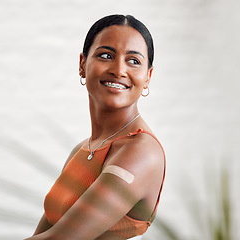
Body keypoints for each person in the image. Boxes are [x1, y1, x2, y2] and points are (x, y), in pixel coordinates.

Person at [25, 14, 166, 240]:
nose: (119, 70)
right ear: (82, 64)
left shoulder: (141, 152)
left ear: (148, 77)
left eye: (134, 61)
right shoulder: (82, 149)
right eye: (106, 55)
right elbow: (46, 231)